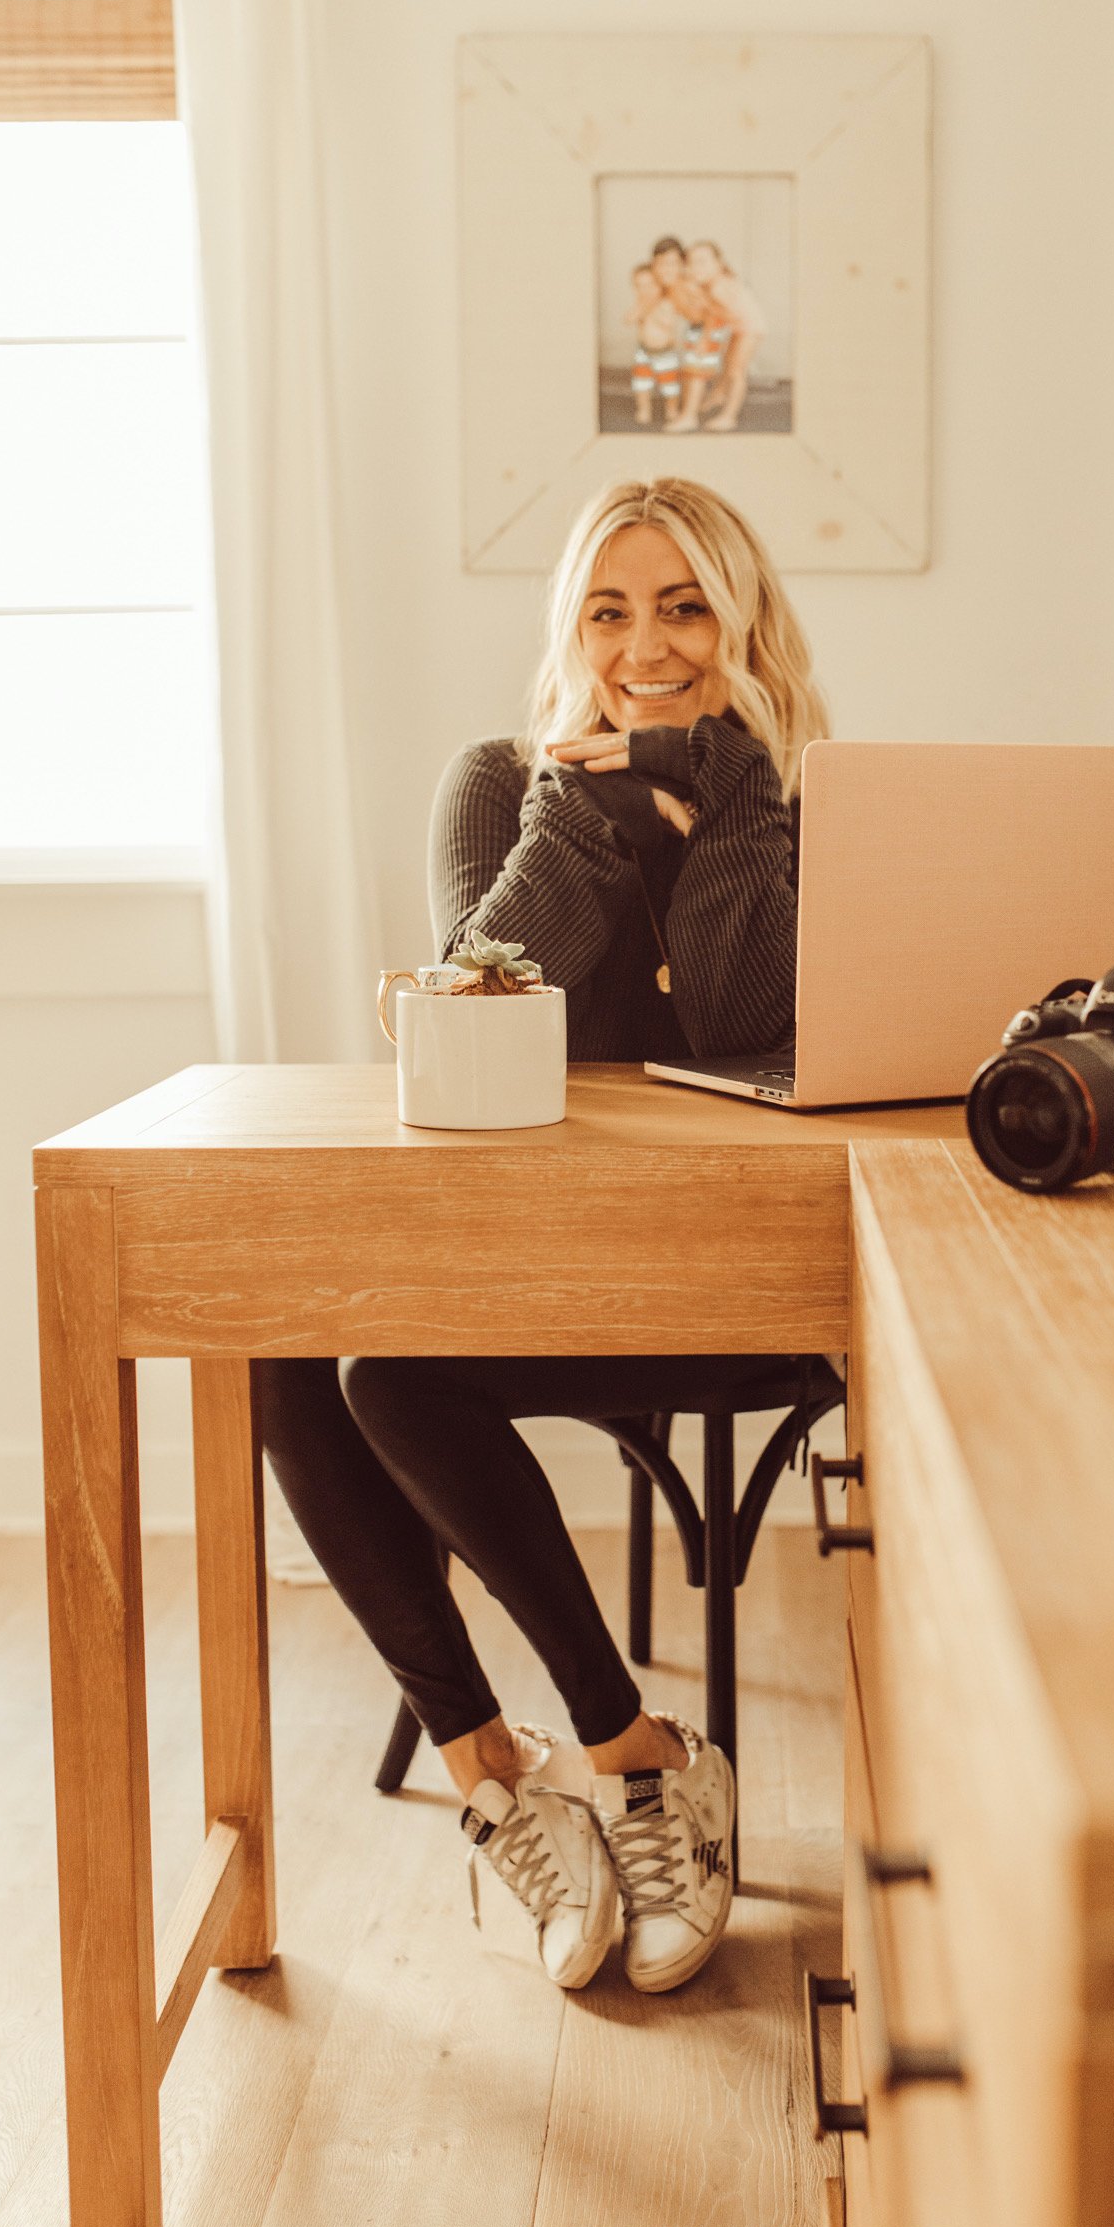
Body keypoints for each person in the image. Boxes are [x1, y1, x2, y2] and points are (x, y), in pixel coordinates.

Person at [259, 478, 832, 1999]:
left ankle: (631, 1756)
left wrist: (726, 801)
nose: (645, 644)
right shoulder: (498, 782)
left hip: (747, 1279)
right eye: (608, 609)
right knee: (288, 1347)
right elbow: (473, 1005)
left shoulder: (814, 793)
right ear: (569, 633)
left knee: (386, 1373)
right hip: (545, 1261)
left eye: (685, 605)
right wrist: (584, 814)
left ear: (744, 619)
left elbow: (738, 1019)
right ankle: (514, 1776)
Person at [670, 238, 767, 432]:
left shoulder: (718, 288)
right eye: (691, 262)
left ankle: (729, 417)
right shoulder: (712, 284)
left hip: (750, 328)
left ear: (719, 265)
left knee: (735, 371)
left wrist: (705, 341)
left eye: (703, 262)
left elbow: (716, 317)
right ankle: (718, 396)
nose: (696, 268)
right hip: (739, 326)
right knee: (728, 364)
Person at [624, 260, 682, 427]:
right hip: (644, 352)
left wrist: (654, 309)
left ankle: (672, 409)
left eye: (649, 285)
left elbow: (669, 324)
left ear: (660, 285)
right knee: (641, 384)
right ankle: (644, 409)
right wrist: (642, 307)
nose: (644, 290)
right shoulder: (640, 305)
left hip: (665, 352)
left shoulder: (666, 303)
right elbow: (628, 320)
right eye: (639, 286)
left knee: (670, 386)